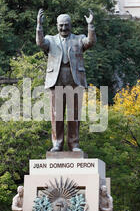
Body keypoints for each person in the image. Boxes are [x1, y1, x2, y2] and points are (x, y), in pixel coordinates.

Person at [36, 9, 96, 152]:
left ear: (71, 25)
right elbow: (40, 43)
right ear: (57, 25)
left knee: (73, 115)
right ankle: (57, 143)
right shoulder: (51, 39)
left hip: (74, 80)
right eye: (61, 25)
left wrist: (91, 26)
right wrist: (39, 25)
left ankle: (74, 144)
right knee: (56, 115)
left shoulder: (79, 39)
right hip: (56, 81)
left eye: (66, 25)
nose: (63, 28)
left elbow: (91, 42)